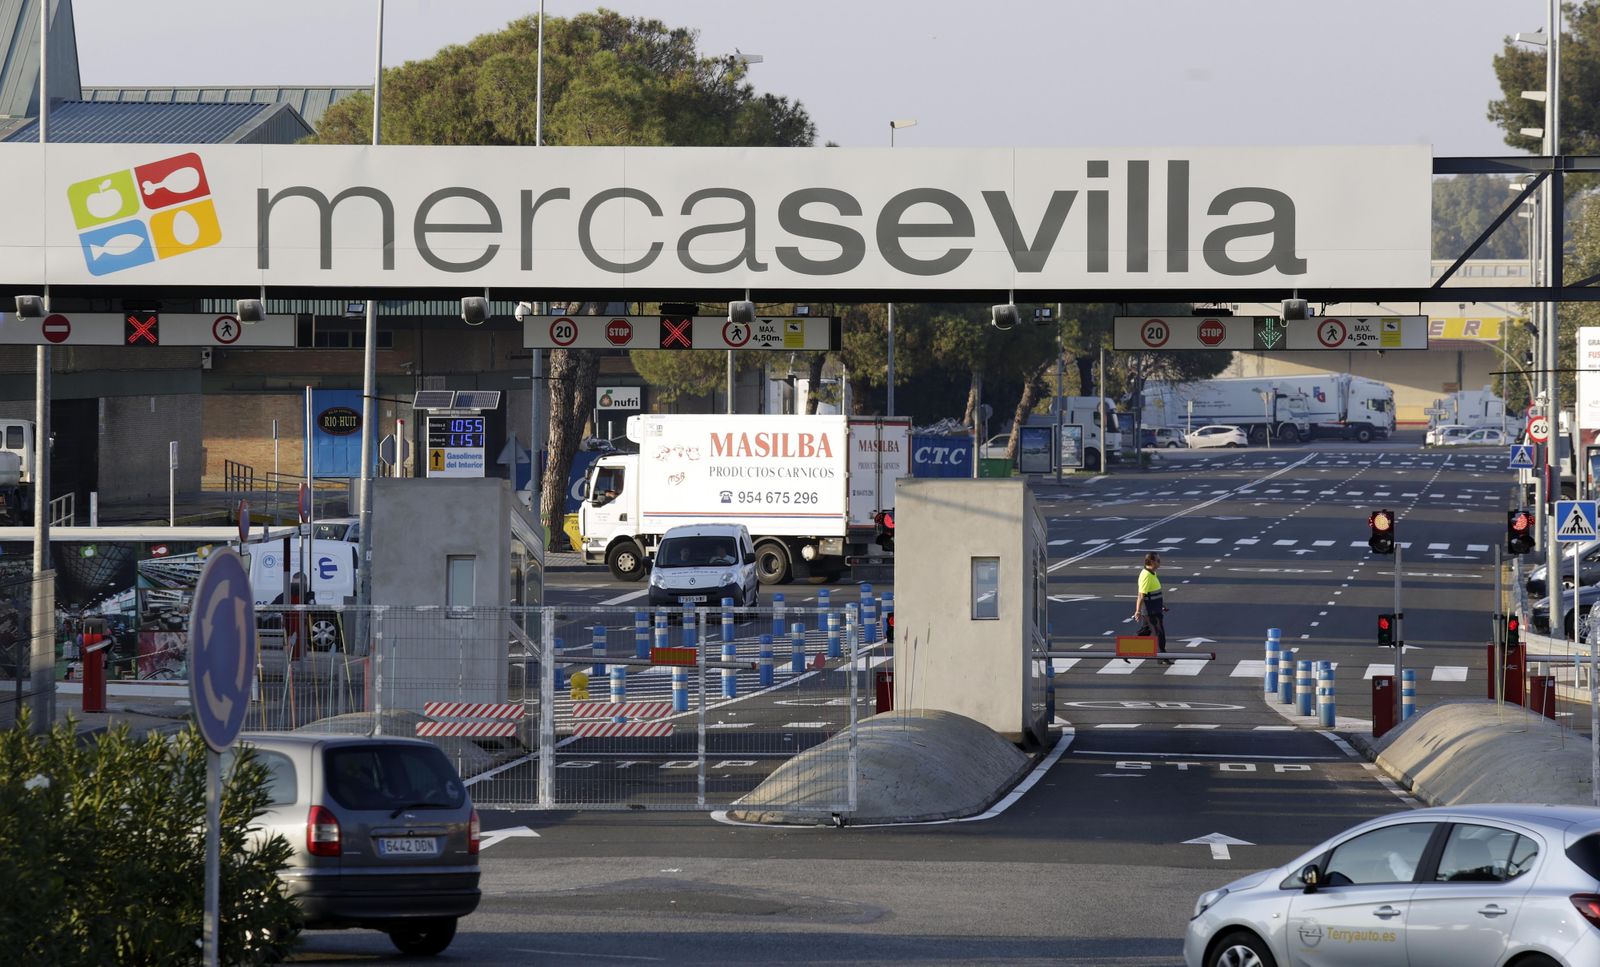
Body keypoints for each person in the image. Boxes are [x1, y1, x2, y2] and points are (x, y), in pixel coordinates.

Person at [1132, 552, 1170, 663]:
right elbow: (1141, 595)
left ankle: (1127, 650)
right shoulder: (1146, 575)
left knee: (1145, 632)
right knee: (1159, 633)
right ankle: (1162, 657)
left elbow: (1154, 592)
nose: (1160, 563)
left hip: (1156, 609)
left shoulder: (1152, 573)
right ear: (1152, 561)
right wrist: (1138, 611)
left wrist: (1162, 605)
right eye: (1158, 560)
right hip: (1150, 611)